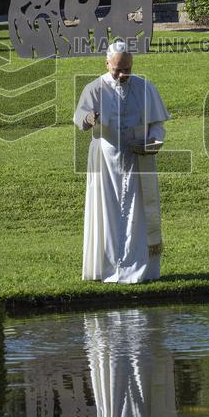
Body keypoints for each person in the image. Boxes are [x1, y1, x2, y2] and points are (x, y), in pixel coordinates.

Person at [73, 40, 171, 283]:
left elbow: (157, 124)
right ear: (107, 63)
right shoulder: (94, 88)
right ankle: (108, 269)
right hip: (105, 162)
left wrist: (154, 140)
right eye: (118, 69)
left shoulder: (145, 88)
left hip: (139, 159)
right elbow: (80, 119)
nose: (123, 74)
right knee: (107, 213)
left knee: (139, 212)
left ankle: (141, 270)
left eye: (127, 68)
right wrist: (88, 117)